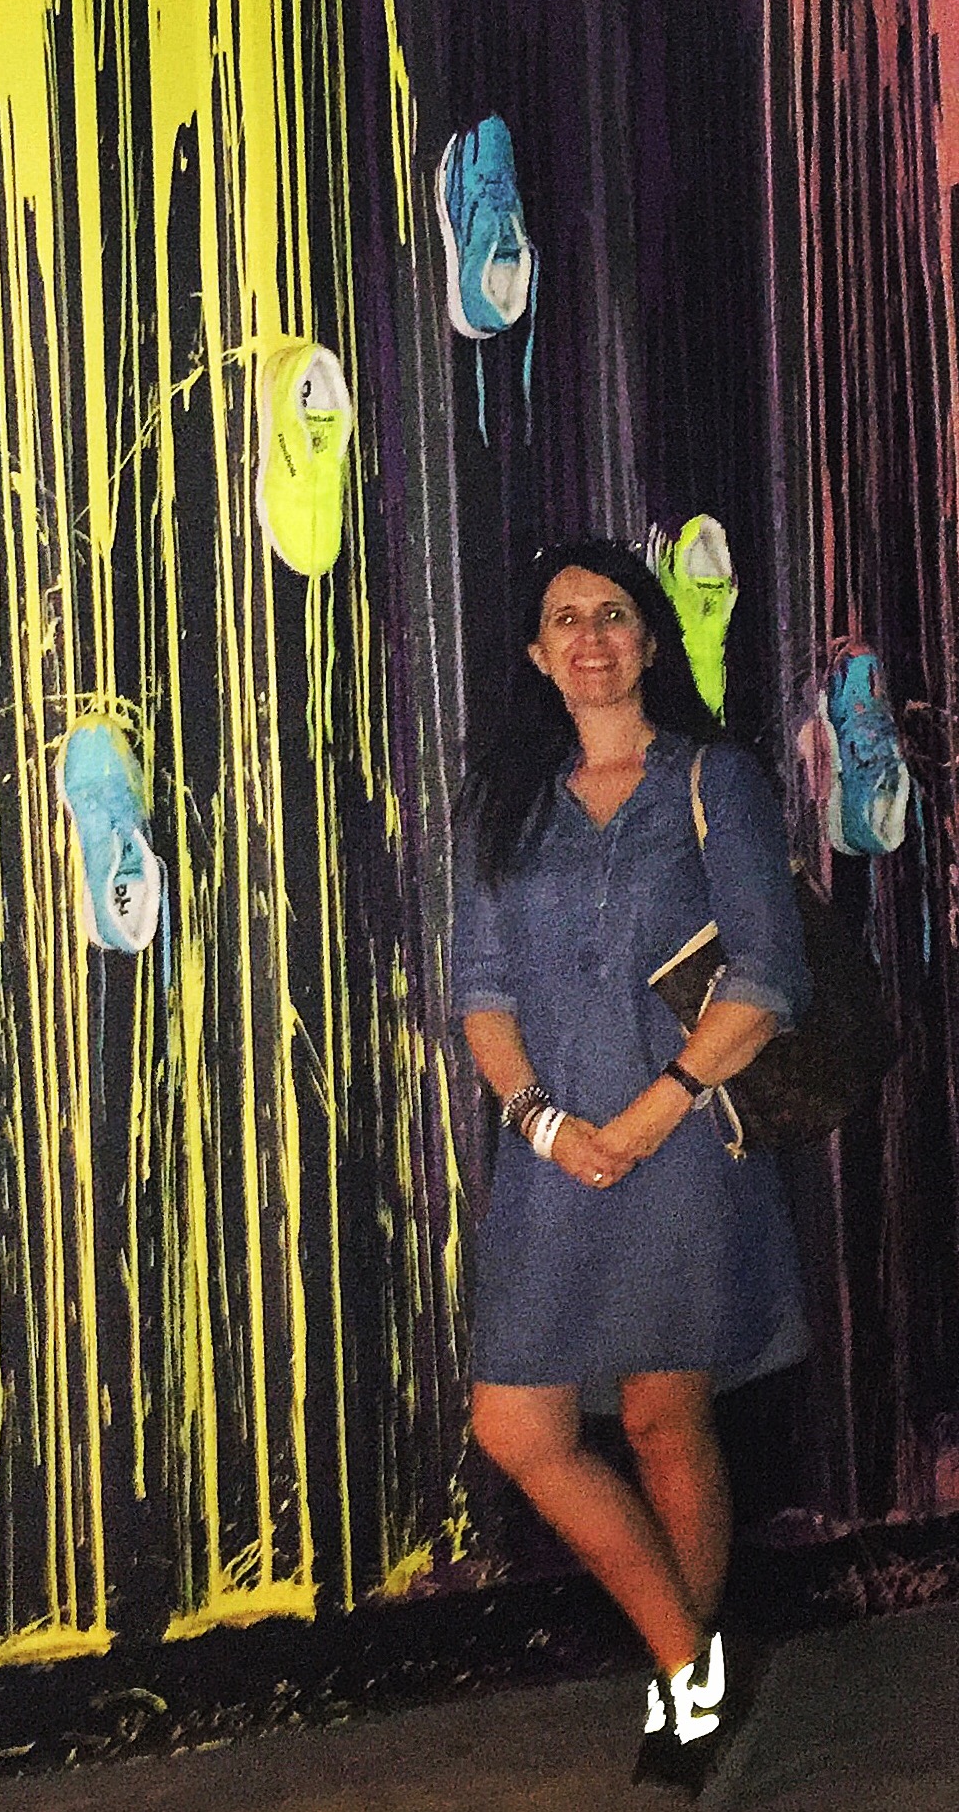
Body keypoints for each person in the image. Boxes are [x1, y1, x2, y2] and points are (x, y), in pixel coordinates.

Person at [452, 540, 811, 1793]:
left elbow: (767, 976)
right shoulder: (509, 804)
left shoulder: (716, 779)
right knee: (517, 1422)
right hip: (554, 1156)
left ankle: (679, 1695)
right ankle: (692, 1661)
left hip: (686, 1143)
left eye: (614, 613)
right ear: (538, 653)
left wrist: (650, 1114)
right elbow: (482, 993)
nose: (592, 636)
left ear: (650, 639)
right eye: (567, 618)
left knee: (664, 1416)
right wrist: (546, 1123)